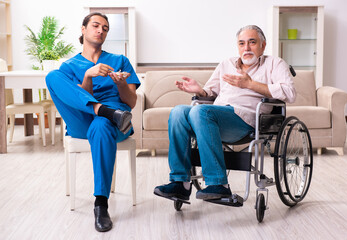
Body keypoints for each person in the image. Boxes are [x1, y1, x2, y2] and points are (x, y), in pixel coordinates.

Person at [154, 25, 296, 201]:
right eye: (242, 43)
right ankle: (180, 183)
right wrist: (200, 91)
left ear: (263, 45)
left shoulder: (275, 64)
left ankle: (219, 184)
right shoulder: (226, 64)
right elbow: (210, 93)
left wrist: (250, 85)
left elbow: (289, 93)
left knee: (201, 112)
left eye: (252, 42)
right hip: (213, 117)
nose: (247, 48)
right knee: (178, 112)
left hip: (245, 121)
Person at [46, 12, 140, 232]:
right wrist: (88, 75)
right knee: (52, 76)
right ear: (83, 29)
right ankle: (103, 110)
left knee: (101, 124)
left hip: (117, 121)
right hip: (82, 120)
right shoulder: (70, 66)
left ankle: (101, 204)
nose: (101, 30)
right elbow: (77, 98)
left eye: (105, 28)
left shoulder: (119, 61)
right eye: (96, 25)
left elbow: (132, 102)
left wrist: (119, 84)